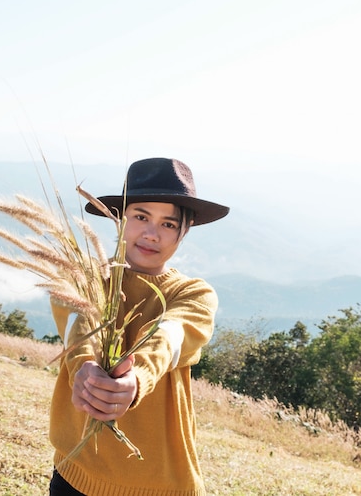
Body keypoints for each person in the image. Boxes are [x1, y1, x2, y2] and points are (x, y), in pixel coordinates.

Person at [49, 157, 230, 496]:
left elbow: (170, 336)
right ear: (120, 218)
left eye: (169, 224)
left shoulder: (193, 294)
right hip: (74, 474)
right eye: (141, 217)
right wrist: (85, 367)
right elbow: (78, 318)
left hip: (159, 485)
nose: (151, 234)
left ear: (185, 230)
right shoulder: (84, 276)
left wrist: (136, 378)